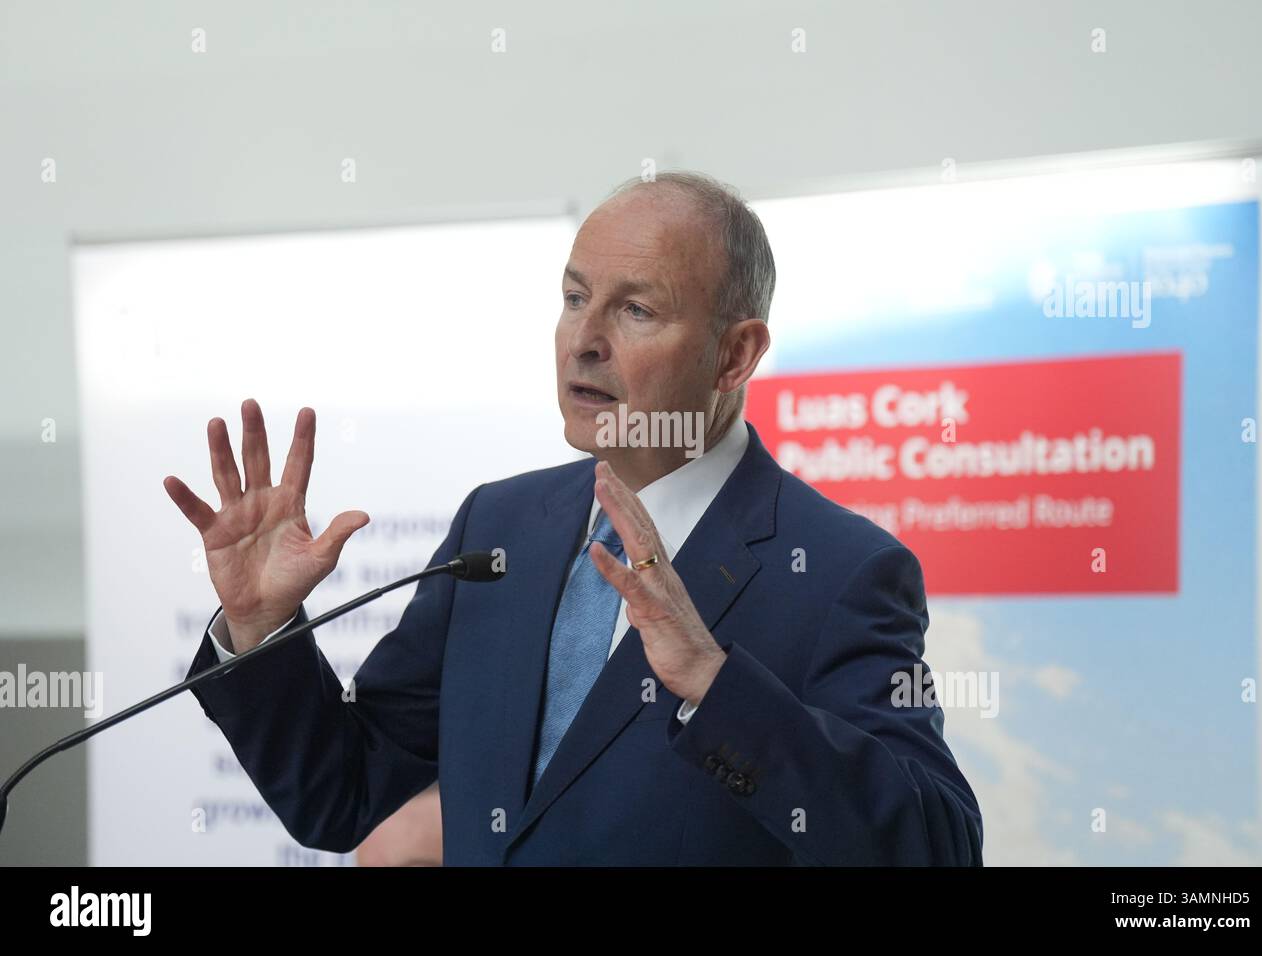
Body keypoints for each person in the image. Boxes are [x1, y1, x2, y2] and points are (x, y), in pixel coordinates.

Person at [165, 171, 982, 865]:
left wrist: (717, 684)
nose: (582, 341)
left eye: (636, 311)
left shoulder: (839, 569)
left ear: (735, 355)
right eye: (573, 297)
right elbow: (341, 794)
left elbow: (936, 841)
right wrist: (262, 631)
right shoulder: (501, 525)